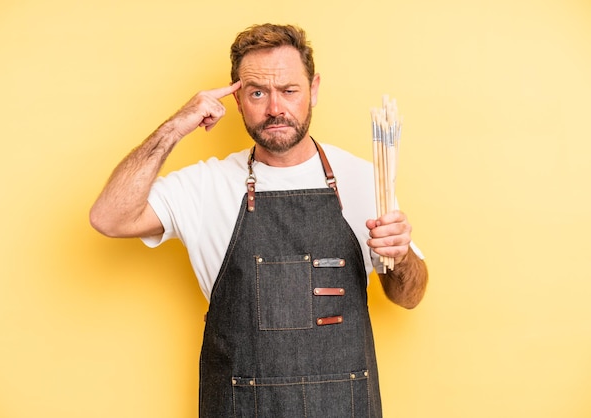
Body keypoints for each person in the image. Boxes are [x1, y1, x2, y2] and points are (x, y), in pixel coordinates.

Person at [90, 23, 428, 418]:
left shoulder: (367, 180)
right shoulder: (207, 186)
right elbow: (108, 218)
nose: (275, 109)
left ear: (313, 88)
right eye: (257, 93)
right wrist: (176, 126)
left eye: (289, 90)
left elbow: (409, 297)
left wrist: (400, 256)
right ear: (236, 99)